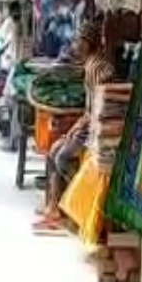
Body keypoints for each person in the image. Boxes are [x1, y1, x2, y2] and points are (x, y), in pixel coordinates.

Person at [33, 16, 115, 234]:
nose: (75, 45)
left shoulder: (97, 68)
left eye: (79, 41)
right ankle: (54, 207)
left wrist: (78, 129)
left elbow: (99, 109)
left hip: (97, 129)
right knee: (53, 150)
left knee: (61, 156)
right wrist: (74, 129)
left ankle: (72, 203)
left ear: (89, 43)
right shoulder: (90, 66)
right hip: (88, 124)